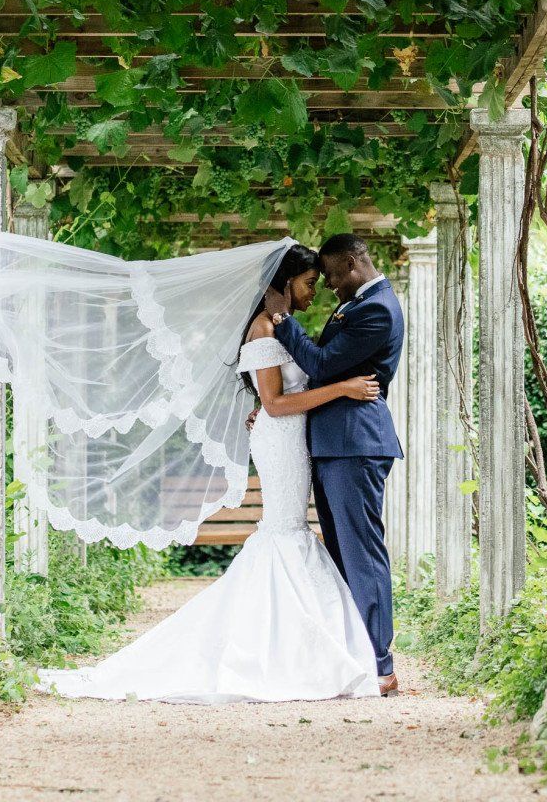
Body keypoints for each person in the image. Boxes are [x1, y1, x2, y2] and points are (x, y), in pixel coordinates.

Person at [39, 244, 385, 702]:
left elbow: (277, 396)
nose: (314, 292)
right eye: (307, 283)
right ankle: (284, 647)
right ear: (281, 285)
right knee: (285, 531)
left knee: (290, 531)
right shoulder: (263, 330)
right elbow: (278, 403)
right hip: (282, 440)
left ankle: (294, 642)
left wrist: (279, 399)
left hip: (290, 438)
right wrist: (341, 388)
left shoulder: (278, 328)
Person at [261, 232, 406, 696]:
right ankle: (356, 655)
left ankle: (380, 663)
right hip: (332, 442)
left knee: (362, 553)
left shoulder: (378, 309)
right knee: (343, 555)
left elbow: (322, 365)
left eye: (330, 276)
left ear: (351, 263)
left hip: (355, 443)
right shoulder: (361, 305)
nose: (328, 288)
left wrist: (283, 323)